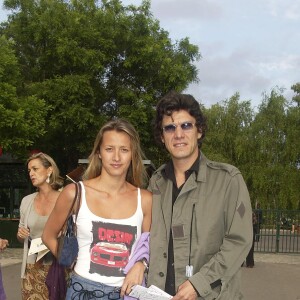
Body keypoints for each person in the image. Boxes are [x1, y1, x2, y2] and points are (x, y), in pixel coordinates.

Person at [147, 91, 253, 300]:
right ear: (162, 136)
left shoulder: (228, 180)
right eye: (170, 127)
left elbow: (239, 241)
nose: (178, 134)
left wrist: (199, 283)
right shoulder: (156, 182)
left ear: (199, 131)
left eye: (186, 125)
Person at [42, 119, 152, 300]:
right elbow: (48, 236)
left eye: (124, 150)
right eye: (109, 149)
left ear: (133, 154)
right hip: (81, 290)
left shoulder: (146, 199)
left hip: (127, 293)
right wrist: (69, 261)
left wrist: (141, 265)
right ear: (99, 153)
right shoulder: (74, 193)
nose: (116, 157)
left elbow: (149, 247)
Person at [17, 152, 64, 300]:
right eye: (29, 170)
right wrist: (20, 235)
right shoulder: (27, 201)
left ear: (49, 170)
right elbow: (20, 237)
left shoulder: (65, 199)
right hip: (32, 268)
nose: (31, 173)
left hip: (57, 267)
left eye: (35, 169)